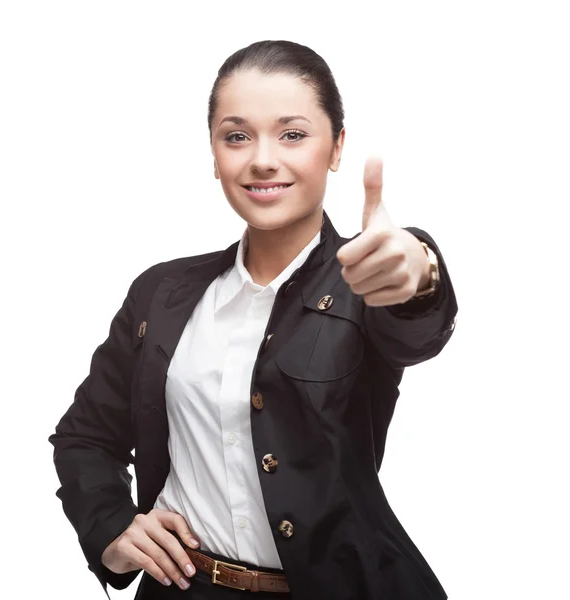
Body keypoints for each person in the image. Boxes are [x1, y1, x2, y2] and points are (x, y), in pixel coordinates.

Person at [49, 39, 458, 600]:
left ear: (336, 147)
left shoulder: (367, 282)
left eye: (293, 134)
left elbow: (417, 327)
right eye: (236, 136)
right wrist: (111, 528)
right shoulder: (160, 294)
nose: (262, 159)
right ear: (214, 153)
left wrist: (420, 270)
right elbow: (86, 437)